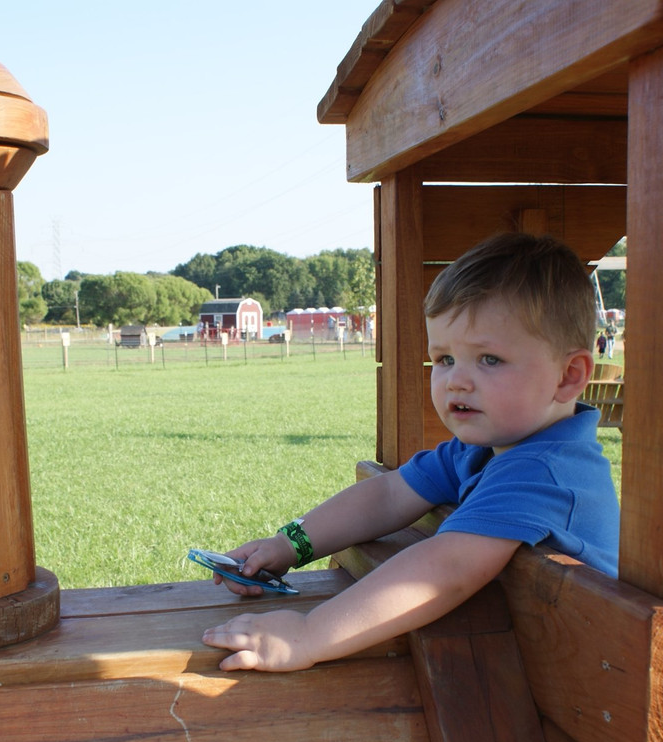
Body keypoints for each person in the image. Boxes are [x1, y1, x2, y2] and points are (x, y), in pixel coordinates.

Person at [202, 232, 619, 673]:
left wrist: (308, 636)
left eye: (489, 359)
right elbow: (388, 495)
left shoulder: (547, 472)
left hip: (597, 685)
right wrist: (289, 543)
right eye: (443, 359)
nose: (456, 380)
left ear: (568, 376)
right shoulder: (476, 453)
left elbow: (447, 569)